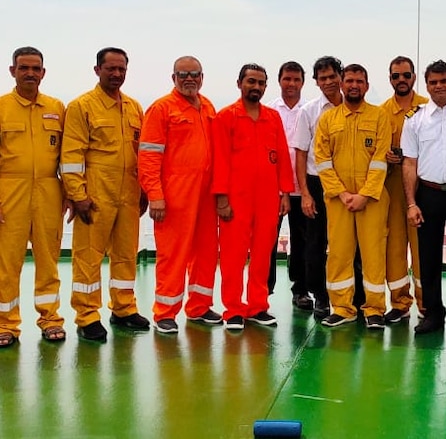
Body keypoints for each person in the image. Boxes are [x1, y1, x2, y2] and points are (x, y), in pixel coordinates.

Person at [62, 47, 150, 342]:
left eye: (121, 69)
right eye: (110, 68)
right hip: (95, 193)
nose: (116, 74)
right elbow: (71, 155)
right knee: (88, 257)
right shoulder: (82, 106)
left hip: (128, 192)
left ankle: (124, 308)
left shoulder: (134, 108)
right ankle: (87, 316)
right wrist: (77, 194)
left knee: (126, 255)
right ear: (97, 70)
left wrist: (144, 191)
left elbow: (141, 153)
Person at [138, 56, 221, 334]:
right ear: (173, 77)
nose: (189, 79)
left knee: (206, 251)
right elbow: (148, 156)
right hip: (175, 194)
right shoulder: (162, 109)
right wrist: (155, 195)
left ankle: (198, 307)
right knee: (173, 254)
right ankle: (165, 313)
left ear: (202, 76)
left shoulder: (207, 106)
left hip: (206, 195)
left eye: (194, 74)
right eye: (183, 74)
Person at [213, 63, 293, 331]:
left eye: (260, 83)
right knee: (233, 257)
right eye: (251, 82)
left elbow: (281, 155)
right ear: (240, 84)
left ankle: (258, 306)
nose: (255, 87)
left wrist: (285, 193)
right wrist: (221, 198)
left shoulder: (272, 117)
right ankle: (233, 309)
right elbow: (220, 160)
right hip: (236, 199)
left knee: (262, 255)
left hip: (268, 198)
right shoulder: (226, 117)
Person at [0, 47, 68, 347]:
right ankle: (6, 324)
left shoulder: (56, 107)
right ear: (12, 71)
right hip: (9, 191)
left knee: (48, 260)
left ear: (43, 72)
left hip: (48, 191)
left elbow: (68, 155)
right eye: (24, 67)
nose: (30, 73)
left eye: (35, 68)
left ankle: (50, 319)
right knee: (6, 262)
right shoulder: (1, 107)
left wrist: (69, 192)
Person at [314, 64, 391, 329]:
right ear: (342, 85)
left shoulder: (380, 117)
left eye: (359, 81)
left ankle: (375, 309)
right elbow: (322, 161)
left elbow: (381, 159)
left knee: (373, 254)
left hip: (373, 200)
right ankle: (343, 308)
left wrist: (365, 195)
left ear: (367, 86)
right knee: (338, 253)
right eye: (349, 81)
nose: (354, 85)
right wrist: (343, 194)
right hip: (339, 201)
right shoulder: (328, 120)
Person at [402, 60, 446, 336]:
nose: (439, 86)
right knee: (427, 258)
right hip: (428, 194)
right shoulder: (416, 119)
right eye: (433, 82)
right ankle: (433, 314)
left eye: (444, 81)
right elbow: (409, 163)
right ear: (427, 85)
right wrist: (411, 203)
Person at [293, 56, 344, 319]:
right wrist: (305, 193)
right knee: (315, 244)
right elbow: (301, 153)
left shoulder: (354, 107)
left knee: (348, 244)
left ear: (340, 76)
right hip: (317, 183)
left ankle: (350, 299)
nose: (328, 82)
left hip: (349, 184)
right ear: (316, 82)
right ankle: (321, 297)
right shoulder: (309, 111)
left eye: (332, 76)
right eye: (322, 78)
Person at [381, 56, 429, 323]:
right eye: (396, 76)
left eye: (406, 75)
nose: (401, 80)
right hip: (392, 187)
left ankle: (426, 303)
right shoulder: (381, 112)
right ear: (390, 79)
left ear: (413, 77)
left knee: (423, 249)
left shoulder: (427, 108)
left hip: (422, 189)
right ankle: (400, 303)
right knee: (395, 247)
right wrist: (385, 156)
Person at [266, 61, 311, 310]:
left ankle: (301, 289)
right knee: (268, 239)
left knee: (302, 240)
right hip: (273, 189)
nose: (291, 84)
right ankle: (264, 288)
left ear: (303, 82)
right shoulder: (269, 110)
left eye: (296, 79)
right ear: (279, 81)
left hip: (303, 189)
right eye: (287, 79)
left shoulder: (311, 110)